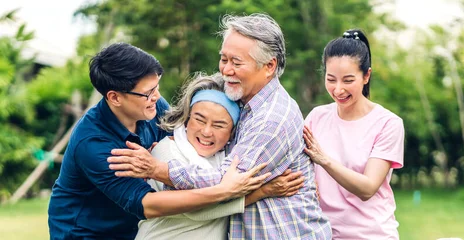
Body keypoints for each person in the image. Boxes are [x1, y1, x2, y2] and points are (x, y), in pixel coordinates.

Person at [108, 14, 332, 239]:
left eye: (236, 62)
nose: (226, 70)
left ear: (269, 66)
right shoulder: (240, 95)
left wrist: (157, 169)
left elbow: (225, 184)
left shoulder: (271, 118)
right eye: (223, 59)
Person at [47, 43, 272, 240]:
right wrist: (225, 190)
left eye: (157, 87)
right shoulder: (93, 144)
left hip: (130, 228)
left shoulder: (152, 107)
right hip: (87, 233)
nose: (157, 96)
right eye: (148, 92)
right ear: (114, 97)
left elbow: (185, 138)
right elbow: (148, 204)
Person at [135, 73, 305, 240]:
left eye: (219, 125)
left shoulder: (229, 158)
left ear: (232, 133)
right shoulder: (165, 151)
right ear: (187, 119)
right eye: (200, 120)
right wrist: (262, 192)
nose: (207, 131)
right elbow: (198, 209)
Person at [303, 29, 405, 240]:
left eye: (348, 80)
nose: (338, 89)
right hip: (321, 233)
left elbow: (368, 188)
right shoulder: (316, 117)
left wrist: (324, 161)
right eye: (331, 79)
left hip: (371, 234)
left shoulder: (388, 124)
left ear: (366, 75)